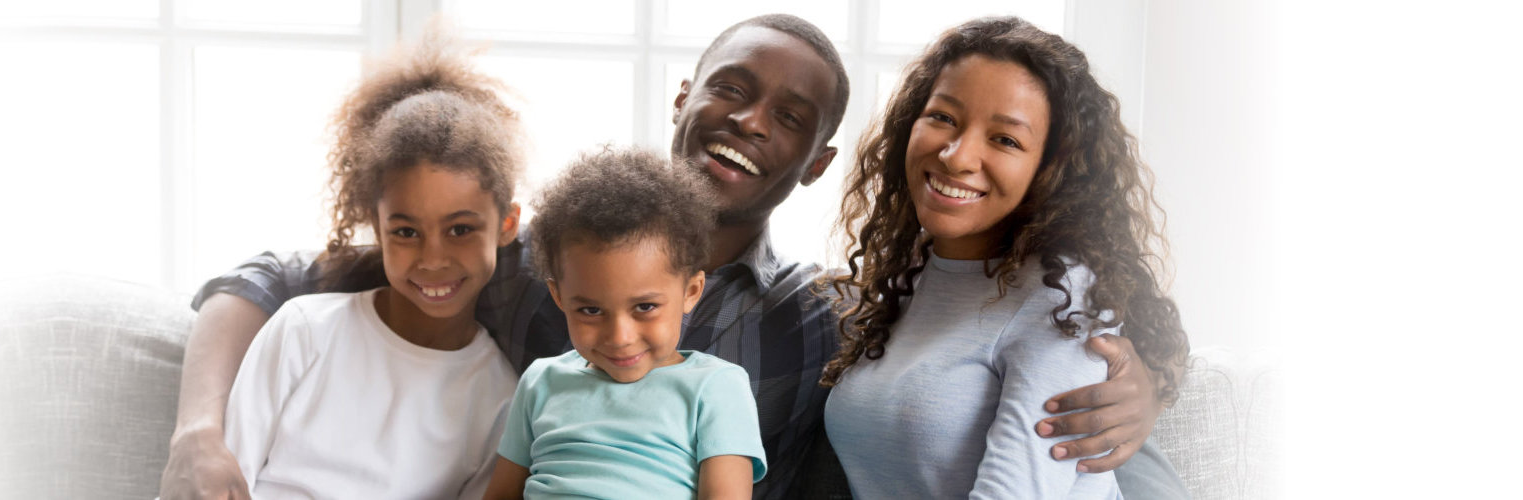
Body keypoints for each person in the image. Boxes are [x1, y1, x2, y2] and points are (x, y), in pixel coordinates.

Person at [163, 14, 1182, 500]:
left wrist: (1160, 375)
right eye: (731, 87)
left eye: (788, 116)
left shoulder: (828, 317)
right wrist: (200, 432)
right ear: (683, 96)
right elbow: (278, 277)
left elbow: (1049, 351)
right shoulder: (526, 247)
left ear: (820, 160)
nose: (748, 121)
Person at [820, 16, 1190, 499]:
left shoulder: (1062, 295)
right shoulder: (908, 275)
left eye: (1006, 139)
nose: (956, 155)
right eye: (943, 117)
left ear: (1051, 170)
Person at [210, 29, 526, 499]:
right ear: (376, 231)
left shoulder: (501, 396)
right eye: (406, 232)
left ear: (506, 225)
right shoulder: (304, 331)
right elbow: (223, 479)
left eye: (460, 229)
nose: (433, 258)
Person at [483, 147, 764, 499]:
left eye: (645, 307)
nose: (619, 337)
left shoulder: (716, 388)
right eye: (590, 311)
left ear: (691, 291)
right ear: (559, 298)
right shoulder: (541, 381)